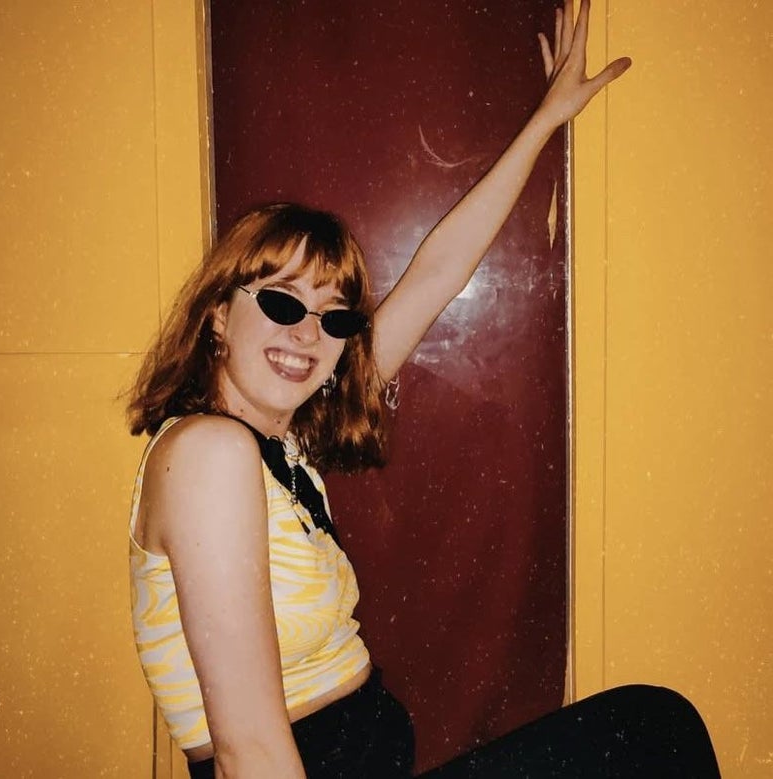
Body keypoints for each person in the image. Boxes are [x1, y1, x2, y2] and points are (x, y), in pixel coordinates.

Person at [127, 1, 721, 776]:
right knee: (654, 733)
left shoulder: (282, 446)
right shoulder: (208, 454)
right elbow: (248, 748)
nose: (308, 334)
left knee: (653, 725)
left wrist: (546, 121)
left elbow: (437, 273)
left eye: (334, 317)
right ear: (217, 314)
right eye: (281, 303)